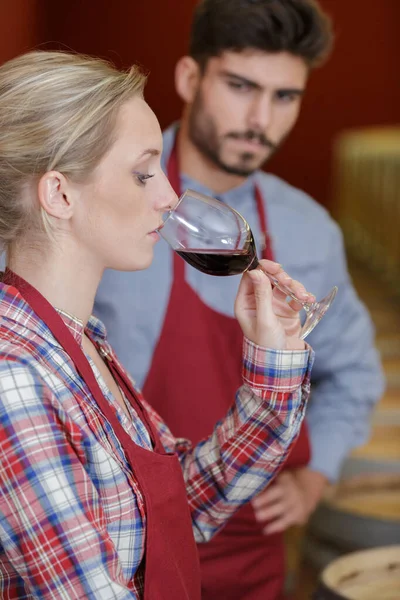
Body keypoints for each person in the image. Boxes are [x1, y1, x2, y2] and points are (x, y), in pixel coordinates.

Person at [94, 0, 385, 598]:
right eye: (240, 85)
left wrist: (317, 476)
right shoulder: (98, 203)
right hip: (113, 540)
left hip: (249, 550)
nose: (260, 118)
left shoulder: (308, 230)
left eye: (285, 97)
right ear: (189, 78)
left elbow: (352, 372)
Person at [0, 50, 316, 599]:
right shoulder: (15, 379)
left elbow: (173, 517)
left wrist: (275, 363)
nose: (169, 196)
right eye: (145, 171)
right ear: (59, 194)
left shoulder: (77, 337)